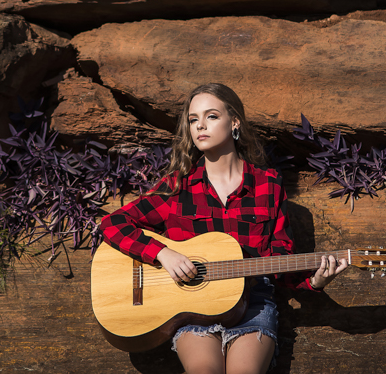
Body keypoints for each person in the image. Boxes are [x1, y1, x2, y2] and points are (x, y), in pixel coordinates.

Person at [99, 82, 348, 374]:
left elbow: (281, 261)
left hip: (252, 305)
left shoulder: (267, 184)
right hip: (192, 309)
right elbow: (112, 223)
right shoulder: (178, 186)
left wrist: (315, 282)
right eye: (193, 119)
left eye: (211, 116)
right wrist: (163, 254)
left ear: (235, 122)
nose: (200, 126)